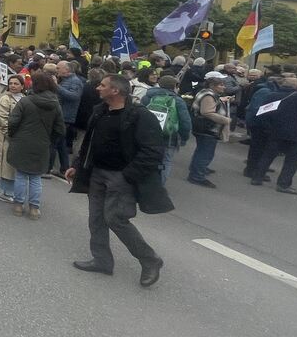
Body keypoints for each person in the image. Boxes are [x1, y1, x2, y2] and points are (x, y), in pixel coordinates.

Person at [66, 74, 170, 287]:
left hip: (120, 177)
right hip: (96, 173)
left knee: (116, 219)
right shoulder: (100, 111)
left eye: (102, 85)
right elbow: (89, 143)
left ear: (115, 91)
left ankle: (150, 260)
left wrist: (128, 175)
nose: (97, 88)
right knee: (96, 218)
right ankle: (102, 261)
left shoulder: (140, 116)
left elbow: (153, 151)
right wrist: (77, 165)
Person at [7, 71, 65, 219]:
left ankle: (18, 205)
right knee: (35, 177)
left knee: (20, 174)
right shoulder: (56, 104)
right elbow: (60, 129)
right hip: (42, 143)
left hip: (22, 141)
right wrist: (50, 141)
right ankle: (34, 208)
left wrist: (13, 135)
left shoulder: (25, 101)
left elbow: (13, 121)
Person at [249, 77, 297, 194]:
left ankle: (257, 177)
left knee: (268, 155)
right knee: (292, 161)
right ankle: (283, 184)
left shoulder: (272, 95)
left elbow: (263, 114)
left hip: (276, 131)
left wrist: (270, 127)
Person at [141, 75, 192, 185]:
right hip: (169, 137)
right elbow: (185, 122)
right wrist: (184, 138)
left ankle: (143, 182)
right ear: (174, 86)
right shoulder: (178, 101)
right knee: (165, 161)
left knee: (147, 158)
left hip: (148, 134)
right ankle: (159, 186)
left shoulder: (148, 97)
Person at [186, 71, 231, 188]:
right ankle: (197, 176)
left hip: (204, 128)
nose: (224, 86)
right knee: (205, 153)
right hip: (207, 128)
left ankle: (197, 169)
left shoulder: (207, 93)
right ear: (212, 85)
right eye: (220, 84)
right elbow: (207, 112)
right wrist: (225, 120)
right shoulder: (209, 95)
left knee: (202, 150)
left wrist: (221, 100)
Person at [0, 74, 25, 201]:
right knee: (5, 161)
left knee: (8, 161)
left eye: (16, 84)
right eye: (11, 83)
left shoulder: (24, 98)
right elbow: (2, 118)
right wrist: (8, 133)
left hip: (17, 134)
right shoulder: (5, 98)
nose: (13, 86)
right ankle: (6, 192)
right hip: (5, 134)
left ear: (22, 86)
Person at [49, 59, 85, 178]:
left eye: (58, 68)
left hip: (65, 116)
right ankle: (64, 168)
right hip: (60, 115)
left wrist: (56, 86)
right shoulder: (65, 80)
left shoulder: (75, 81)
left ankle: (47, 168)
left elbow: (74, 96)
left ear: (67, 70)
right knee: (61, 144)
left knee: (53, 142)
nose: (56, 70)